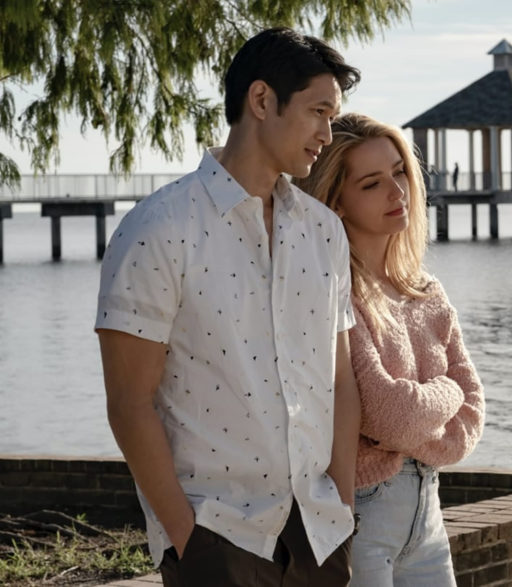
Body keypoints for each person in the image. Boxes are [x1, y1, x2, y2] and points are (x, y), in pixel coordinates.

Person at [95, 27, 362, 586]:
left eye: (332, 116)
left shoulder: (325, 233)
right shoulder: (158, 229)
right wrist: (187, 538)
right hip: (217, 540)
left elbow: (339, 379)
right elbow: (129, 403)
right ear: (262, 100)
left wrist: (340, 501)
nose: (327, 133)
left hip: (319, 536)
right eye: (318, 111)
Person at [293, 113, 485, 586]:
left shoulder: (426, 292)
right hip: (364, 517)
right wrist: (442, 398)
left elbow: (472, 416)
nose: (397, 192)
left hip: (428, 515)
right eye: (372, 183)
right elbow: (388, 413)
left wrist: (415, 417)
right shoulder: (338, 294)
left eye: (399, 172)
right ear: (336, 202)